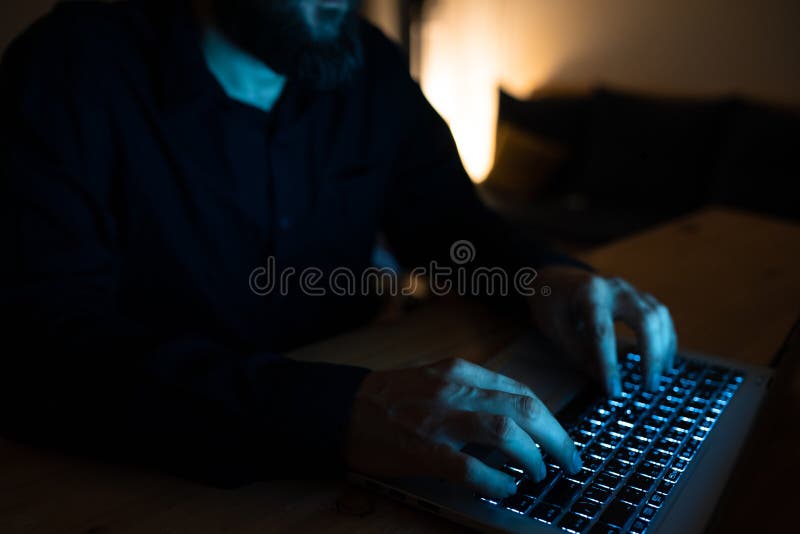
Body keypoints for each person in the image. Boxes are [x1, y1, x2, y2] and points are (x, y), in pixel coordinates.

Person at [0, 0, 676, 499]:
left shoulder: (369, 68)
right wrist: (336, 411)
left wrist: (544, 276)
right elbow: (45, 353)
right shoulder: (66, 72)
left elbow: (447, 221)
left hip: (355, 475)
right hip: (135, 480)